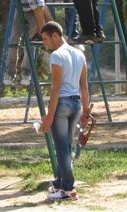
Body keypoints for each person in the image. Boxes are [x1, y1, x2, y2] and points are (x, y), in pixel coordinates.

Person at [39, 21, 90, 201]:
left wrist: (49, 116)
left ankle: (68, 189)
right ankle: (59, 183)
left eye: (45, 39)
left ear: (55, 35)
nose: (44, 42)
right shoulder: (79, 54)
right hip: (76, 104)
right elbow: (84, 86)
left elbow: (56, 87)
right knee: (66, 145)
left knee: (62, 148)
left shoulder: (57, 56)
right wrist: (86, 111)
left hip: (62, 104)